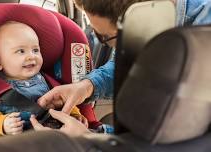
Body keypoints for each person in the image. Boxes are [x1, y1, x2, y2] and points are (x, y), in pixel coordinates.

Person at [31, 0, 211, 137]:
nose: (112, 48)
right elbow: (129, 58)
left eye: (105, 37)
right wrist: (86, 86)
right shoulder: (148, 30)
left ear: (143, 19)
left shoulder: (204, 39)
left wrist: (88, 141)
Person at [0, 21, 88, 136]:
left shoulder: (48, 81)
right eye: (21, 51)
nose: (32, 56)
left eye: (35, 50)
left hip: (57, 136)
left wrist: (75, 115)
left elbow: (65, 99)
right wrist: (2, 124)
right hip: (23, 142)